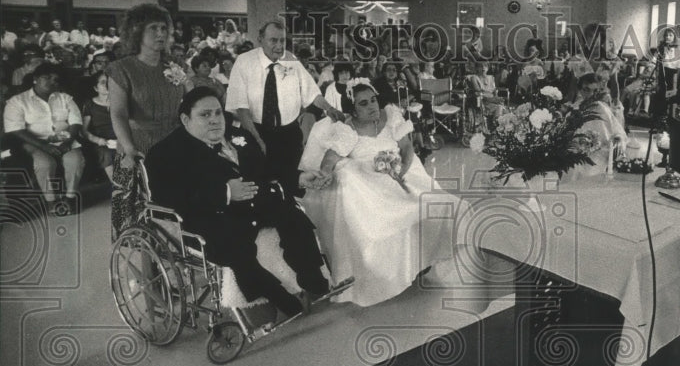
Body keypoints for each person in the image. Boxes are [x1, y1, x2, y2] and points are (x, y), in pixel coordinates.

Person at [145, 87, 332, 318]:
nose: (214, 120)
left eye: (217, 113)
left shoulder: (237, 137)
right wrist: (224, 192)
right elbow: (168, 198)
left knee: (292, 215)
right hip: (211, 215)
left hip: (254, 205)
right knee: (234, 245)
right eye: (205, 115)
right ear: (185, 119)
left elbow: (266, 170)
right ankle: (276, 297)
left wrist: (299, 177)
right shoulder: (164, 154)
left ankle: (312, 280)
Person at [299, 81, 453, 307]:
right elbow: (330, 159)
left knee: (435, 203)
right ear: (352, 110)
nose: (372, 106)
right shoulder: (347, 129)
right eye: (363, 103)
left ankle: (420, 259)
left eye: (373, 99)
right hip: (369, 180)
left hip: (402, 170)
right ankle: (387, 273)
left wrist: (401, 171)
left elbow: (407, 148)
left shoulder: (390, 115)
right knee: (382, 218)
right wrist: (325, 174)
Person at [225, 19, 343, 196]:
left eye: (283, 40)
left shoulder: (291, 60)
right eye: (274, 40)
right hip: (255, 130)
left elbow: (311, 92)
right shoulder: (244, 62)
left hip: (288, 134)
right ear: (260, 39)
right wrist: (257, 140)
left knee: (291, 184)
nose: (279, 46)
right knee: (261, 183)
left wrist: (329, 108)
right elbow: (241, 109)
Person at [105, 3, 186, 235]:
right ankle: (146, 266)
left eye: (164, 28)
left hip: (174, 143)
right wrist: (129, 147)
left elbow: (190, 102)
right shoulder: (121, 69)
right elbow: (118, 113)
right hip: (138, 144)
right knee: (142, 216)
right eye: (153, 28)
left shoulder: (175, 66)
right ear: (137, 31)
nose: (161, 33)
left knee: (176, 209)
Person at [3, 62, 85, 212]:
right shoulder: (17, 101)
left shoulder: (65, 98)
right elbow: (16, 129)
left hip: (65, 140)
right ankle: (51, 201)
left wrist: (68, 141)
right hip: (34, 142)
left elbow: (76, 122)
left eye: (55, 79)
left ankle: (70, 197)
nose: (52, 81)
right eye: (47, 77)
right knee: (45, 164)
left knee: (75, 160)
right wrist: (43, 146)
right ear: (35, 79)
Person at [567, 73, 627, 179]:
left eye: (595, 91)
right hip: (576, 151)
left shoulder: (602, 108)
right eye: (587, 90)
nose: (591, 94)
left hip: (600, 152)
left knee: (589, 170)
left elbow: (617, 131)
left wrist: (618, 139)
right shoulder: (575, 108)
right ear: (580, 90)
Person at [81, 72, 116, 181]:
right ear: (96, 88)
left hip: (121, 138)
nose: (107, 85)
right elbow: (83, 130)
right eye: (103, 82)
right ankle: (119, 187)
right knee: (106, 153)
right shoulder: (89, 104)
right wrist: (98, 140)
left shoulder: (121, 102)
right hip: (101, 142)